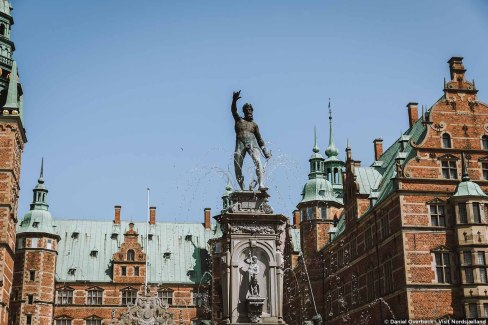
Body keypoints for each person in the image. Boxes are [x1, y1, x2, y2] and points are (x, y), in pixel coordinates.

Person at [231, 90, 271, 191]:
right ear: (244, 112)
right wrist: (234, 100)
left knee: (258, 162)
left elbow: (260, 139)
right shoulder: (239, 120)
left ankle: (261, 184)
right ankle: (242, 187)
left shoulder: (254, 125)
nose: (249, 112)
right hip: (240, 145)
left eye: (251, 110)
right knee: (237, 165)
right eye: (247, 110)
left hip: (253, 144)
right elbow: (233, 111)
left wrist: (265, 151)